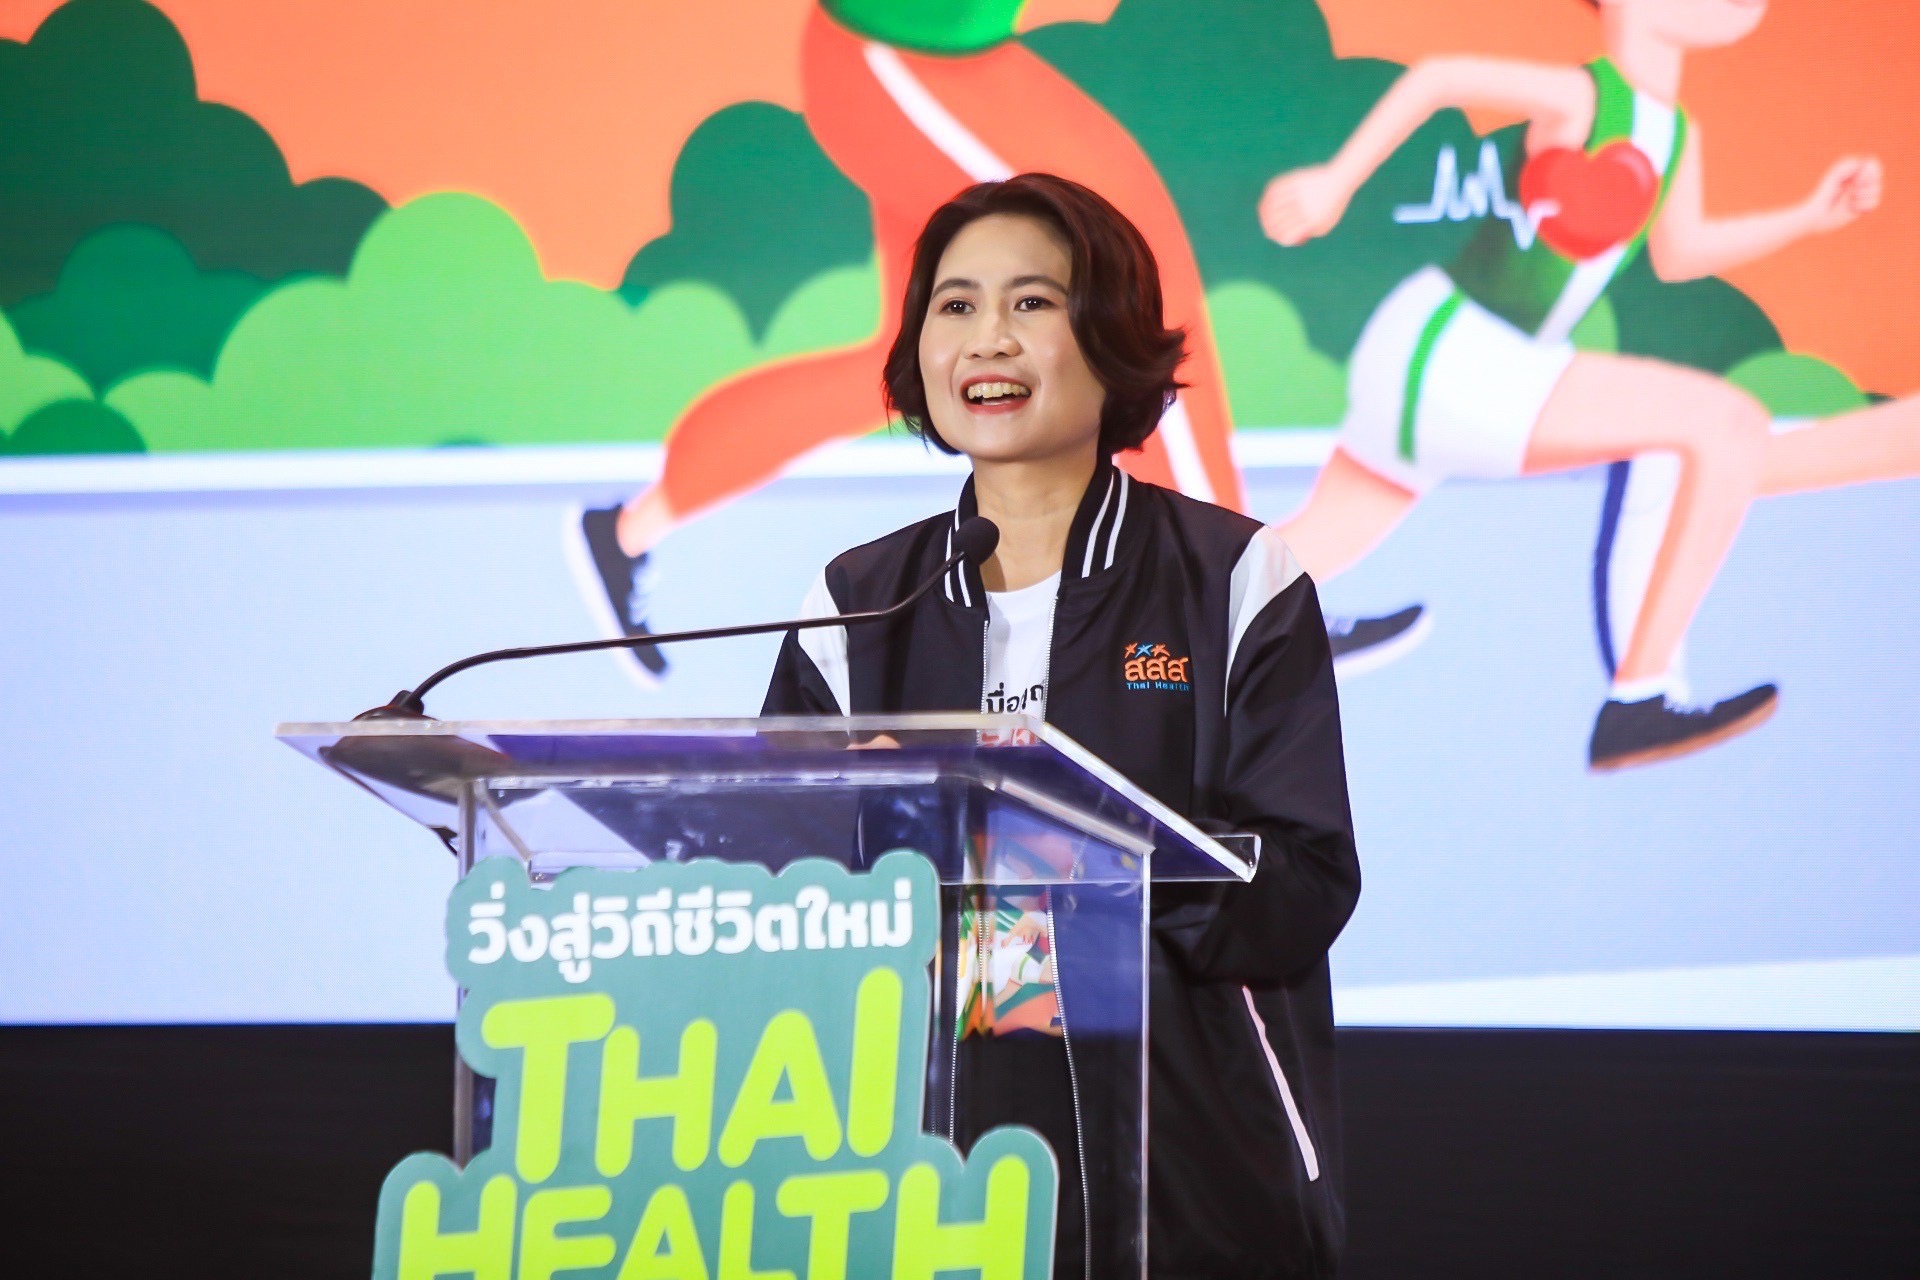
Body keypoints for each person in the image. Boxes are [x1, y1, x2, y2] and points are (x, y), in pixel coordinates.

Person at [763, 173, 1360, 1277]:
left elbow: (1303, 887)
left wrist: (1053, 840)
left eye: (1032, 302)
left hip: (1191, 1187)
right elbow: (778, 896)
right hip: (917, 1186)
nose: (988, 337)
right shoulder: (856, 603)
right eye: (956, 304)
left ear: (1112, 336)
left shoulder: (1235, 577)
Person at [576, 0, 1421, 686]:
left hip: (936, 50)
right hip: (900, 52)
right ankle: (1239, 607)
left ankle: (628, 530)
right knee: (1134, 274)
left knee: (903, 360)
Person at [1259, 0, 1914, 771]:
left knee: (1328, 532)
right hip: (1459, 349)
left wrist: (1807, 217)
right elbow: (1440, 76)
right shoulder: (1587, 97)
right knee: (1724, 425)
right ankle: (1640, 697)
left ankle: (1208, 631)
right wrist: (1335, 183)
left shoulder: (1675, 132)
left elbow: (1681, 253)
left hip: (1457, 356)